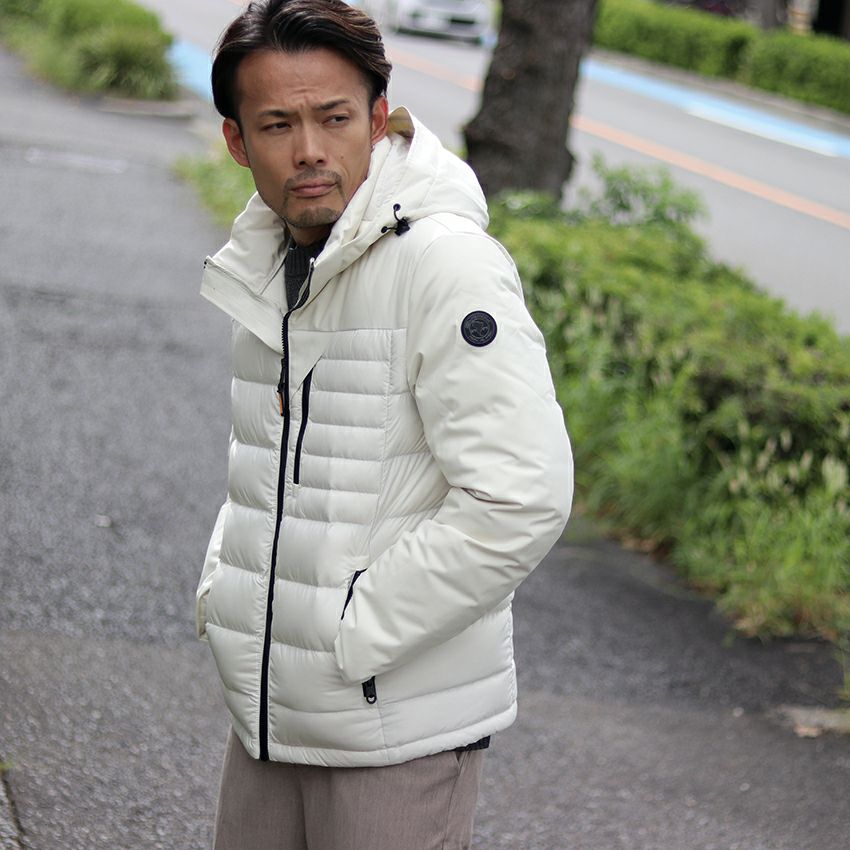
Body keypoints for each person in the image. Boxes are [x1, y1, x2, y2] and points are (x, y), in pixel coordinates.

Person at [195, 1, 573, 847]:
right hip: (269, 709)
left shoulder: (445, 264)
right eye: (277, 125)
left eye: (334, 119)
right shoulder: (269, 259)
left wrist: (352, 633)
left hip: (392, 726)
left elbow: (521, 498)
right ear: (237, 141)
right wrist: (230, 592)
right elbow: (274, 465)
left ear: (378, 119)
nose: (309, 150)